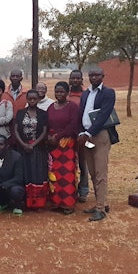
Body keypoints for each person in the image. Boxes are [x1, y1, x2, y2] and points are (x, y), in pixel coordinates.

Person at [78, 67, 119, 222]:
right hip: (86, 138)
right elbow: (81, 114)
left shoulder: (108, 93)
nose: (94, 77)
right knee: (93, 172)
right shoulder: (85, 93)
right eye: (91, 75)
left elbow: (103, 115)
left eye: (97, 75)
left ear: (103, 76)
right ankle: (99, 203)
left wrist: (89, 133)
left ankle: (101, 209)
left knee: (101, 172)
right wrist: (82, 133)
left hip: (100, 136)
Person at [46, 81, 81, 214]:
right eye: (57, 91)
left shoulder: (72, 107)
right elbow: (47, 124)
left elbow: (73, 125)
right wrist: (49, 138)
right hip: (53, 146)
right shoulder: (50, 107)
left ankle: (68, 204)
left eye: (62, 92)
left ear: (67, 93)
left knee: (67, 174)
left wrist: (58, 136)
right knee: (54, 174)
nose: (59, 94)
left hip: (67, 145)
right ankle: (55, 202)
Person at [13, 90, 49, 195]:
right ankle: (24, 197)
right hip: (22, 148)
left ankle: (37, 198)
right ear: (27, 99)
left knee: (37, 171)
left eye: (34, 99)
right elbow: (15, 129)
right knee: (24, 170)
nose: (32, 101)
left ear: (38, 99)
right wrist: (23, 144)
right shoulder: (20, 113)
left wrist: (33, 144)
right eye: (30, 99)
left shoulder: (43, 114)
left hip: (38, 148)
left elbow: (44, 131)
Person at [67, 69, 89, 202]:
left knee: (83, 162)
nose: (75, 80)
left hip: (83, 134)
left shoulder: (87, 94)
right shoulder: (65, 93)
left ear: (82, 79)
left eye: (77, 78)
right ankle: (70, 189)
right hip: (69, 135)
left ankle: (84, 190)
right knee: (69, 162)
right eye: (72, 78)